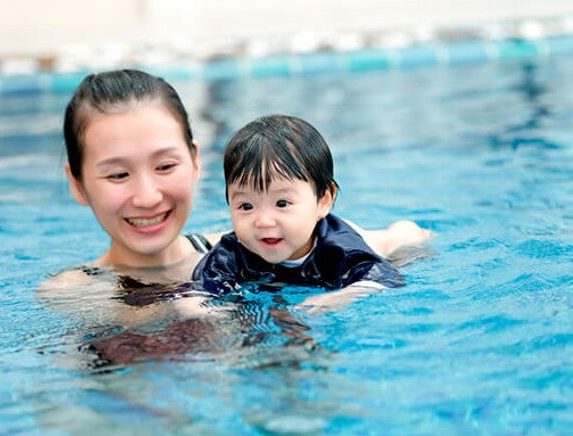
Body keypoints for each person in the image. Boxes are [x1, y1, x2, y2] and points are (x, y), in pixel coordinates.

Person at [40, 69, 431, 306]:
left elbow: (402, 238)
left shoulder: (247, 243)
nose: (146, 196)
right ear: (77, 183)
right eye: (118, 175)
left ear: (195, 162)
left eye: (165, 165)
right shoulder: (75, 293)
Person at [192, 114, 428, 297]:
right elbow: (201, 292)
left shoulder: (340, 249)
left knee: (400, 238)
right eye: (246, 206)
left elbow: (384, 276)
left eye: (282, 203)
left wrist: (343, 295)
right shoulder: (231, 253)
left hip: (375, 244)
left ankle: (402, 231)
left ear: (323, 200)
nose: (263, 221)